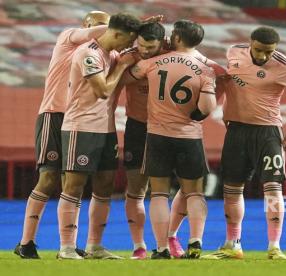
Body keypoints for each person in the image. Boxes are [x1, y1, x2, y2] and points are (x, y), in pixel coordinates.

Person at [201, 26, 286, 260]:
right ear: (250, 43)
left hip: (267, 132)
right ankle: (233, 244)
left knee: (272, 187)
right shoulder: (233, 52)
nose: (262, 56)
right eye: (259, 50)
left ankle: (275, 247)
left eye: (268, 52)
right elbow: (226, 82)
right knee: (232, 188)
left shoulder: (285, 66)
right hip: (236, 130)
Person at [14, 11, 110, 259]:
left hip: (77, 121)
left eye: (107, 26)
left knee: (72, 183)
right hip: (54, 115)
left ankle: (68, 245)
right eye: (100, 24)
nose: (103, 29)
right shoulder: (68, 37)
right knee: (48, 178)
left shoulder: (103, 54)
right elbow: (92, 34)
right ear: (85, 25)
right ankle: (26, 242)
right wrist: (120, 27)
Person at [127, 19, 216, 259]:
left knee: (158, 194)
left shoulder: (152, 63)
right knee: (194, 193)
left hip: (157, 136)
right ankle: (195, 241)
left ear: (176, 38)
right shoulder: (206, 69)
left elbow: (128, 76)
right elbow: (208, 107)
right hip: (189, 136)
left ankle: (161, 248)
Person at [57, 12, 140, 260]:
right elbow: (103, 90)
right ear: (115, 34)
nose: (130, 45)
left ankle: (94, 247)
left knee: (104, 186)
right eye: (128, 39)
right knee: (74, 186)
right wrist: (123, 66)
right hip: (80, 128)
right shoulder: (88, 53)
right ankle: (67, 248)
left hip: (107, 130)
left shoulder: (112, 53)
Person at [121, 22, 166, 260]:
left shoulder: (176, 55)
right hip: (137, 126)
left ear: (163, 42)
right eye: (142, 45)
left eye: (151, 46)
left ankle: (170, 241)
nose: (145, 50)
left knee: (174, 189)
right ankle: (139, 246)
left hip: (169, 128)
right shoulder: (129, 57)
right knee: (136, 190)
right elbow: (115, 81)